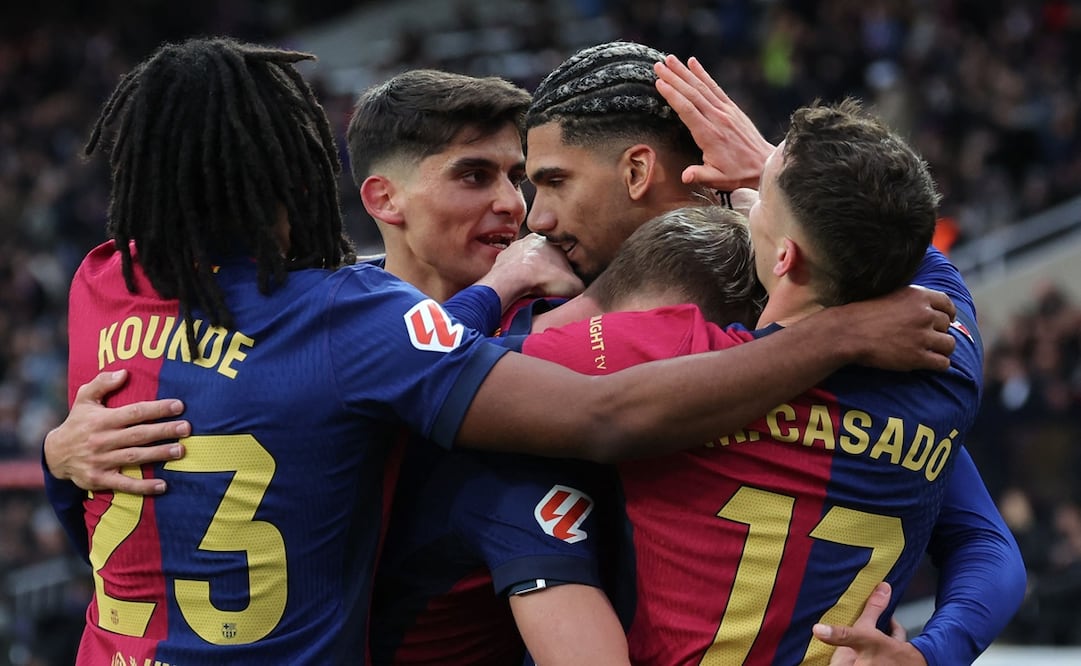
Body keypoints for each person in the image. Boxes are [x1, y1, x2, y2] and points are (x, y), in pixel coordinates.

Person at [51, 36, 955, 665]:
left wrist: (58, 457)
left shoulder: (104, 283)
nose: (522, 207)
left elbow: (101, 507)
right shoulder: (358, 322)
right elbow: (604, 416)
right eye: (482, 176)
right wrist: (837, 326)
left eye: (526, 179)